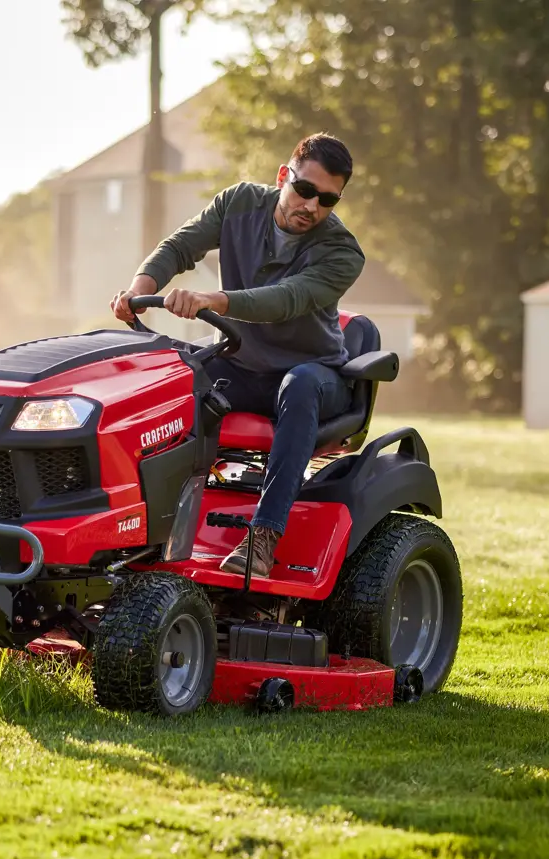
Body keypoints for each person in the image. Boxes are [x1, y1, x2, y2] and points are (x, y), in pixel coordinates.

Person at [111, 133, 364, 579]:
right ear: (284, 176)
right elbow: (180, 247)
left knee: (300, 384)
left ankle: (263, 539)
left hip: (315, 377)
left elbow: (287, 299)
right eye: (304, 190)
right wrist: (139, 290)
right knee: (170, 377)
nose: (311, 206)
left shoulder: (343, 252)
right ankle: (136, 522)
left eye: (327, 200)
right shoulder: (239, 203)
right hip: (243, 365)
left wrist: (215, 300)